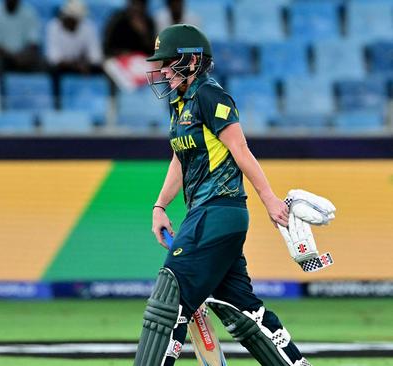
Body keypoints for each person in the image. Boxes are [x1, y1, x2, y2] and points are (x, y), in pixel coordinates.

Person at [134, 25, 312, 366]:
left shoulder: (210, 95)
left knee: (170, 297)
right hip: (204, 212)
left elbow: (241, 149)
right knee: (241, 307)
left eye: (170, 62)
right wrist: (160, 206)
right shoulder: (179, 102)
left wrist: (270, 199)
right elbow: (180, 159)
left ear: (193, 60)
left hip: (219, 210)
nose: (163, 71)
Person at [0, 0, 43, 74]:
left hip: (24, 56)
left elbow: (34, 43)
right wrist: (13, 57)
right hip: (2, 56)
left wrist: (24, 56)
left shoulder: (29, 12)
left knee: (42, 64)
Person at [45, 0, 103, 75]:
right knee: (53, 69)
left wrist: (84, 64)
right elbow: (54, 59)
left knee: (103, 68)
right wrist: (76, 65)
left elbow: (96, 57)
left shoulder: (88, 27)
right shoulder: (52, 26)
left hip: (84, 65)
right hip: (63, 67)